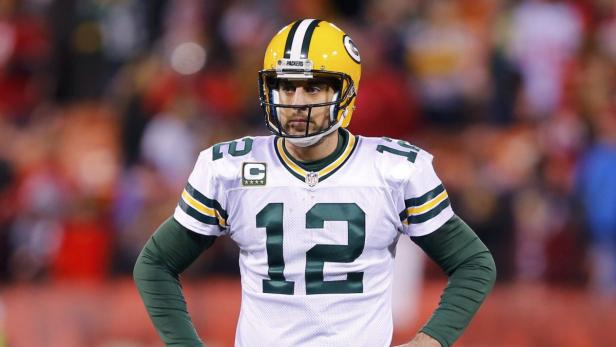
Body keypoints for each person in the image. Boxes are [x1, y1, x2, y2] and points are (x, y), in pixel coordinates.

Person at [134, 19, 496, 347]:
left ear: (346, 93)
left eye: (312, 89)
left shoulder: (393, 170)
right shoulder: (230, 168)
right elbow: (155, 263)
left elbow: (474, 263)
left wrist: (429, 341)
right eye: (285, 88)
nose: (295, 103)